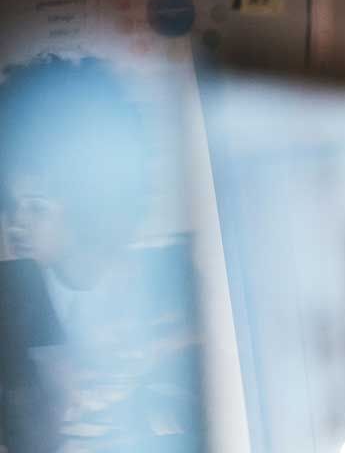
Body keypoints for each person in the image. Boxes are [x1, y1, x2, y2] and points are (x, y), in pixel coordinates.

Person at [0, 55, 204, 452]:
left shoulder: (176, 286)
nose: (15, 223)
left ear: (86, 199)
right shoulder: (11, 299)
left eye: (36, 207)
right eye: (11, 203)